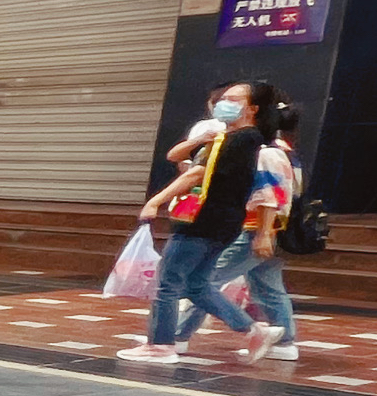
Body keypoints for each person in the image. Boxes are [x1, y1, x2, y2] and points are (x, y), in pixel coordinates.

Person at [122, 81, 278, 364]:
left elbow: (195, 175)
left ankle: (160, 345)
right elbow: (176, 156)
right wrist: (203, 139)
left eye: (233, 99)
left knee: (168, 282)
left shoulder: (241, 140)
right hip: (224, 221)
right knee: (196, 284)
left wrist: (156, 201)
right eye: (223, 98)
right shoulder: (229, 138)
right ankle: (252, 330)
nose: (224, 102)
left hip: (202, 219)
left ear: (252, 109)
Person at [176, 102, 303, 358]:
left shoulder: (264, 153)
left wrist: (262, 233)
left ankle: (177, 335)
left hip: (253, 228)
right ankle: (284, 342)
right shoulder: (287, 152)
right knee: (269, 286)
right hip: (272, 228)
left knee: (202, 282)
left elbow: (266, 195)